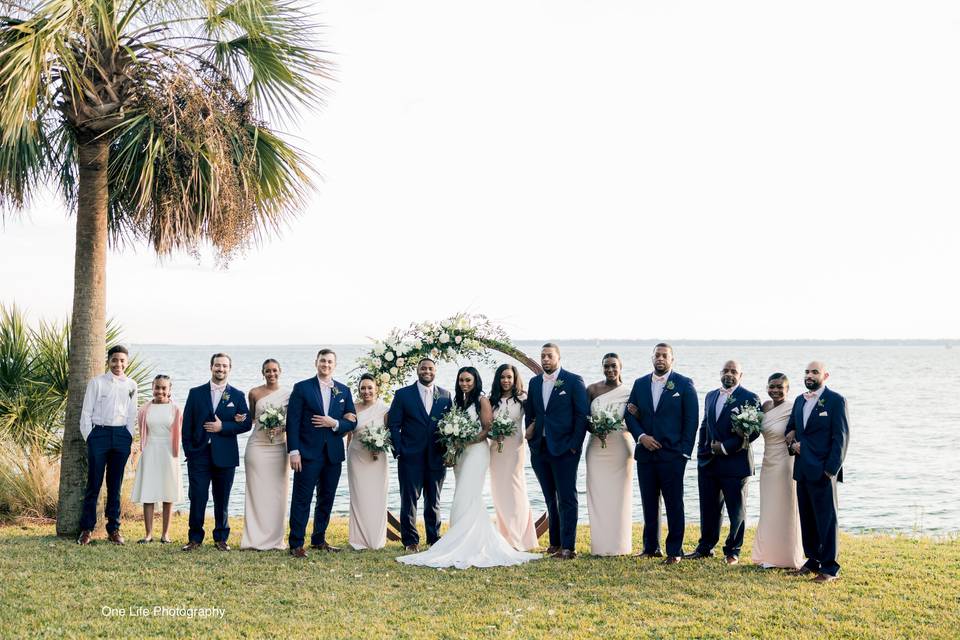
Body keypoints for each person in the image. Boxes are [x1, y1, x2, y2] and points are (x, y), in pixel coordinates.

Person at [398, 367, 540, 568]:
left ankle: (469, 541)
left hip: (477, 453)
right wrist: (453, 445)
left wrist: (464, 441)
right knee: (461, 494)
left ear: (475, 381)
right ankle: (462, 538)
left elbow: (486, 430)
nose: (465, 383)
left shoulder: (482, 401)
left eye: (468, 380)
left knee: (468, 494)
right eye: (461, 380)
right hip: (460, 455)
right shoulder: (457, 401)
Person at [624, 343, 698, 564]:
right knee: (648, 501)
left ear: (672, 360)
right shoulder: (639, 384)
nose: (660, 358)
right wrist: (641, 437)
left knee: (674, 503)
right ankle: (650, 547)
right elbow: (629, 416)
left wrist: (684, 453)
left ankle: (675, 551)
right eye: (657, 355)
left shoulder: (684, 385)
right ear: (652, 358)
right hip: (645, 455)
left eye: (665, 355)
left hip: (673, 456)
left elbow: (691, 420)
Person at [685, 360, 760, 565]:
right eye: (726, 370)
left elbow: (752, 432)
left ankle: (733, 550)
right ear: (720, 373)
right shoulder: (711, 396)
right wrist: (702, 449)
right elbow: (705, 425)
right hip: (708, 462)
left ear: (740, 375)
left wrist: (725, 447)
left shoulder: (750, 398)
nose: (729, 374)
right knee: (708, 508)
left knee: (737, 510)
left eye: (733, 371)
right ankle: (705, 547)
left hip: (735, 463)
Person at [287, 349, 357, 557]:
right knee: (302, 498)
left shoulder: (343, 391)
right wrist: (294, 451)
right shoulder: (302, 388)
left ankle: (319, 539)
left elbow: (352, 421)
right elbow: (293, 422)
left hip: (333, 454)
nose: (326, 364)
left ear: (335, 365)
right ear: (316, 362)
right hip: (307, 453)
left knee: (326, 497)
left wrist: (334, 423)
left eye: (330, 362)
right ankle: (296, 543)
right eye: (323, 361)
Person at [785, 361, 849, 583]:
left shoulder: (835, 401)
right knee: (808, 518)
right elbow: (790, 429)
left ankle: (830, 568)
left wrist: (830, 471)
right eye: (806, 372)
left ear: (825, 375)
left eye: (814, 372)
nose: (809, 375)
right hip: (802, 469)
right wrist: (792, 445)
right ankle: (812, 560)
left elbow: (841, 438)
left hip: (823, 472)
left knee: (827, 520)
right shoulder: (800, 400)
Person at [180, 353, 251, 551]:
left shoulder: (237, 395)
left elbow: (246, 423)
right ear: (211, 367)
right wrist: (190, 452)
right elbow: (186, 426)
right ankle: (195, 538)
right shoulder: (196, 393)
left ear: (230, 369)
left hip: (225, 455)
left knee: (222, 498)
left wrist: (224, 427)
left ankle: (221, 538)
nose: (221, 369)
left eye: (224, 366)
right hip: (199, 454)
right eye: (217, 366)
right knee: (198, 497)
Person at [524, 343, 589, 559]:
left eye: (549, 356)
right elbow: (531, 414)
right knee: (550, 497)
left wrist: (574, 445)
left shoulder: (573, 381)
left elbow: (582, 415)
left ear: (558, 358)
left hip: (565, 449)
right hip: (540, 449)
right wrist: (531, 438)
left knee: (567, 498)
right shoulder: (534, 383)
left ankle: (569, 547)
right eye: (542, 356)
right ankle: (555, 543)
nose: (545, 359)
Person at [388, 358, 452, 552]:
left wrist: (449, 452)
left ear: (435, 370)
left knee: (434, 500)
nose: (427, 371)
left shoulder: (445, 395)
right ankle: (410, 540)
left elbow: (450, 425)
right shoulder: (403, 394)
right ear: (417, 370)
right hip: (410, 457)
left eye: (430, 368)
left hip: (436, 457)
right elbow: (394, 424)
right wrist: (399, 450)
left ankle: (434, 538)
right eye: (423, 368)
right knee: (409, 500)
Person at [77, 345, 138, 545]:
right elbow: (86, 412)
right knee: (94, 484)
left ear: (126, 363)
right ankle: (87, 529)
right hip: (99, 434)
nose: (118, 364)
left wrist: (128, 436)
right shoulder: (97, 383)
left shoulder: (131, 385)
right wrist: (91, 437)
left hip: (121, 436)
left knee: (115, 486)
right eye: (114, 360)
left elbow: (132, 414)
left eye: (122, 361)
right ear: (109, 361)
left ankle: (114, 529)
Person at [751, 373, 804, 569]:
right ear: (767, 387)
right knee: (768, 508)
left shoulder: (793, 408)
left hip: (785, 463)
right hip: (767, 462)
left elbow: (802, 429)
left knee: (786, 507)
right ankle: (767, 554)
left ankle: (787, 556)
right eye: (772, 386)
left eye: (780, 387)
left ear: (787, 390)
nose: (775, 390)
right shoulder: (764, 406)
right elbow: (755, 431)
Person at [585, 353, 634, 556]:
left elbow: (636, 421)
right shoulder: (592, 390)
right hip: (597, 448)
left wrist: (636, 415)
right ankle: (600, 545)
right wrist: (595, 429)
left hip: (621, 448)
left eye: (614, 366)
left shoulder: (630, 392)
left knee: (620, 498)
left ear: (621, 367)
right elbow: (583, 418)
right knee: (598, 495)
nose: (610, 370)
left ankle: (620, 545)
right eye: (606, 366)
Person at [240, 359, 290, 550]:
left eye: (275, 370)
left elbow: (292, 422)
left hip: (279, 448)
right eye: (267, 371)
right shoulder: (254, 393)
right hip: (257, 447)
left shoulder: (288, 395)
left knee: (278, 494)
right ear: (263, 372)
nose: (271, 374)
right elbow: (252, 419)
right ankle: (254, 539)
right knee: (256, 493)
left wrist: (280, 428)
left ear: (280, 371)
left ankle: (276, 539)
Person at [487, 364, 537, 551]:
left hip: (515, 447)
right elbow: (485, 426)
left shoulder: (523, 398)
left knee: (516, 491)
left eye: (509, 377)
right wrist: (493, 434)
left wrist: (530, 430)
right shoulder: (492, 400)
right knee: (499, 491)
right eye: (502, 377)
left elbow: (537, 415)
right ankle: (504, 536)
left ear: (515, 379)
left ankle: (520, 537)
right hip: (495, 450)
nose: (506, 380)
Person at [130, 374, 183, 544]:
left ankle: (165, 534)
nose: (160, 391)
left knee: (168, 493)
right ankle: (148, 534)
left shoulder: (175, 410)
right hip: (150, 450)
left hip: (169, 453)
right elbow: (141, 432)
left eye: (163, 388)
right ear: (152, 387)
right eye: (157, 387)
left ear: (169, 390)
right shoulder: (144, 409)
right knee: (149, 492)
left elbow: (180, 433)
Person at [347, 373, 390, 550]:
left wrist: (379, 446)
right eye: (363, 388)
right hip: (356, 457)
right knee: (359, 497)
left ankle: (376, 539)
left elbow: (389, 434)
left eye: (369, 388)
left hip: (377, 458)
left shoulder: (385, 410)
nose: (366, 391)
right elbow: (348, 433)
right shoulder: (352, 409)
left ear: (376, 389)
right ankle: (358, 540)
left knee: (377, 497)